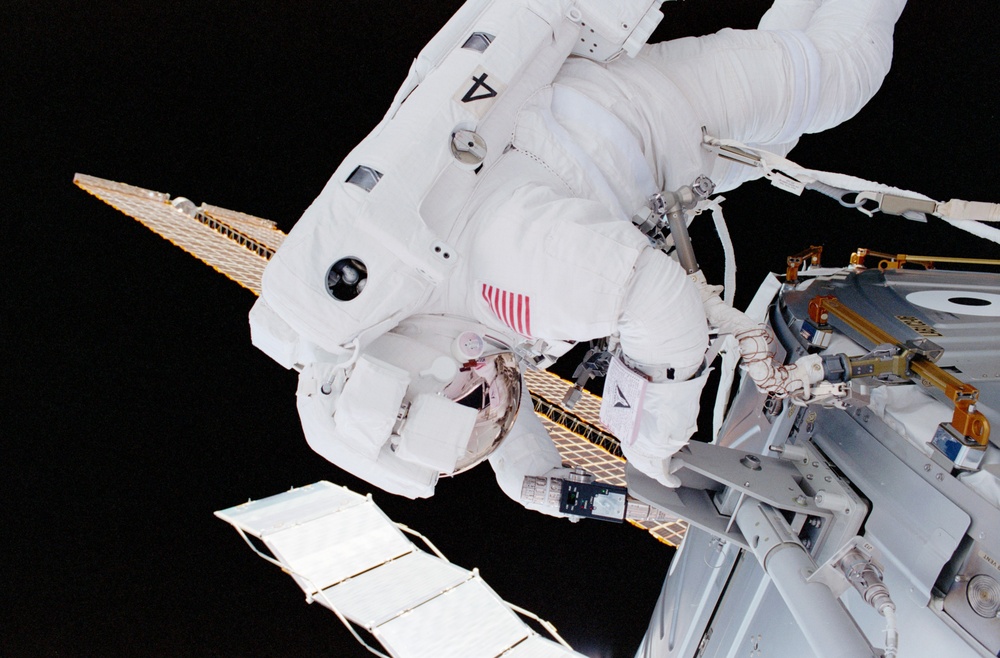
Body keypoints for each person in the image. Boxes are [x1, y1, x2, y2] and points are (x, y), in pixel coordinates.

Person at [248, 0, 907, 516]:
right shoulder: (443, 308)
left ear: (427, 367)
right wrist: (528, 477)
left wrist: (654, 446)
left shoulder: (505, 275)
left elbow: (659, 301)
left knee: (840, 72)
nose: (483, 394)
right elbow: (492, 391)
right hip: (658, 147)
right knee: (787, 110)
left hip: (660, 111)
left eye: (465, 397)